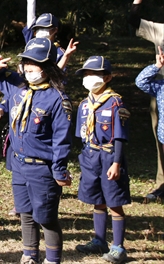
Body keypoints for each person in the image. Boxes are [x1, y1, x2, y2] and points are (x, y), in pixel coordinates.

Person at [0, 0, 78, 217]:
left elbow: (55, 79)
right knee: (16, 152)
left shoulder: (58, 53)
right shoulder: (31, 49)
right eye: (39, 28)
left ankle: (39, 197)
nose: (42, 31)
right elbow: (17, 87)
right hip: (22, 101)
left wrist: (66, 59)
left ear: (55, 31)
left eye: (47, 28)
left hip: (45, 104)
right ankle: (21, 201)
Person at [0, 38, 73, 264]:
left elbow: (61, 139)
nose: (29, 68)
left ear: (47, 68)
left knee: (46, 216)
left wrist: (59, 170)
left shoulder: (57, 98)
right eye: (26, 63)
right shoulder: (17, 86)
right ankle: (30, 255)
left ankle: (53, 259)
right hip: (19, 165)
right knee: (25, 213)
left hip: (42, 169)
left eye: (35, 64)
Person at [75, 56, 131, 264]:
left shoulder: (115, 102)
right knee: (96, 199)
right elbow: (81, 134)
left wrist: (116, 162)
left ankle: (118, 247)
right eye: (86, 75)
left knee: (113, 200)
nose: (89, 78)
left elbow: (119, 136)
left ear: (107, 77)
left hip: (109, 157)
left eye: (94, 74)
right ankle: (99, 240)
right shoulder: (84, 104)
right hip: (91, 156)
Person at [128, 0, 164, 202]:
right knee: (161, 137)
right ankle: (163, 184)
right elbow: (132, 21)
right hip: (161, 89)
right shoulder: (160, 30)